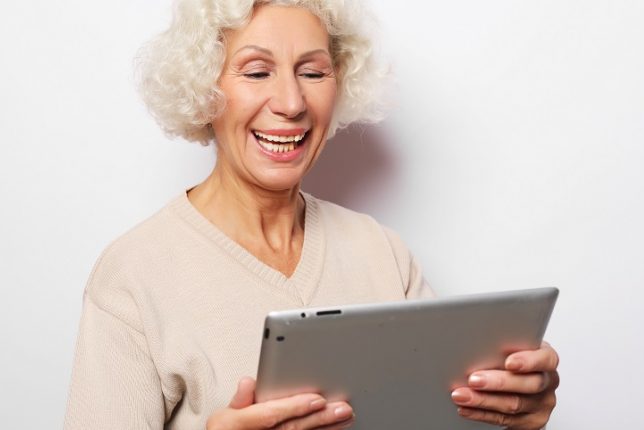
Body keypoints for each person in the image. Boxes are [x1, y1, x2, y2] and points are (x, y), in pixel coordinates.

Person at [64, 1, 560, 429]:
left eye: (313, 72)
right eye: (257, 72)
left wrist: (511, 411)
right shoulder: (134, 275)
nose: (291, 102)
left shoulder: (381, 251)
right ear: (203, 87)